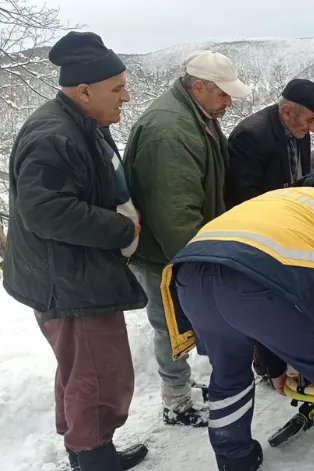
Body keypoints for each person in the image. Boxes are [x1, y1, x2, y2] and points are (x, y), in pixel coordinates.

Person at [160, 161, 314, 471]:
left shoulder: (279, 199)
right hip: (271, 279)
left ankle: (234, 459)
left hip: (191, 272)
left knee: (228, 377)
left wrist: (275, 366)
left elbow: (259, 278)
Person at [2, 31, 149, 470]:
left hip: (72, 274)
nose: (127, 97)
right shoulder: (54, 135)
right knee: (98, 374)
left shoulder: (80, 122)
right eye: (117, 89)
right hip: (68, 283)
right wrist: (121, 229)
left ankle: (86, 448)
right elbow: (46, 211)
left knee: (81, 370)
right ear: (84, 90)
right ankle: (93, 458)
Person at [123, 50, 251, 427]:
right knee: (168, 323)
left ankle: (180, 384)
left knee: (179, 321)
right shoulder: (171, 131)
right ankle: (176, 400)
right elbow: (174, 213)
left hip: (181, 244)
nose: (228, 102)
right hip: (164, 251)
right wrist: (198, 265)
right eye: (223, 94)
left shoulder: (199, 116)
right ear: (199, 87)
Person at [225, 78, 314, 209]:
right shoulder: (249, 137)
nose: (313, 128)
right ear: (287, 112)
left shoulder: (299, 129)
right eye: (310, 120)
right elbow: (243, 198)